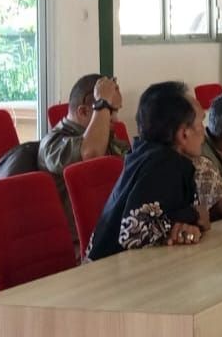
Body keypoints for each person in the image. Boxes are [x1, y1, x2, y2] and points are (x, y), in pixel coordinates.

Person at [86, 81, 209, 261]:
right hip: (106, 274)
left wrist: (188, 225)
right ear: (183, 133)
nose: (204, 133)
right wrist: (194, 215)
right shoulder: (164, 164)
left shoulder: (150, 154)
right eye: (200, 123)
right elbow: (132, 233)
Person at [38, 73, 130, 183]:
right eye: (109, 111)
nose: (116, 119)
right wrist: (102, 103)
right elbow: (91, 155)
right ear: (83, 112)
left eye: (116, 111)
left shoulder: (103, 135)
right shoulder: (52, 144)